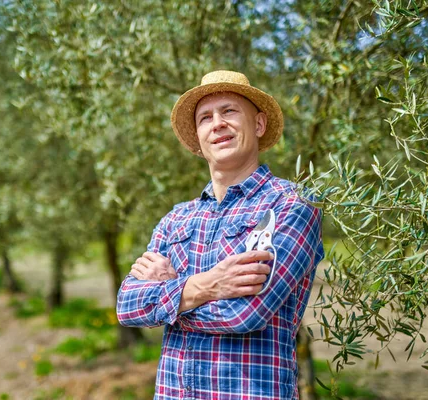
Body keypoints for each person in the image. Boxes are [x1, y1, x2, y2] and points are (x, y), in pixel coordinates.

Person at [116, 70, 324, 399]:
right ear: (198, 140)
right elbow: (127, 306)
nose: (217, 124)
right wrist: (211, 285)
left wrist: (170, 298)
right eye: (205, 118)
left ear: (258, 125)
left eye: (229, 111)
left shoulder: (290, 206)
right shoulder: (176, 218)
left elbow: (246, 313)